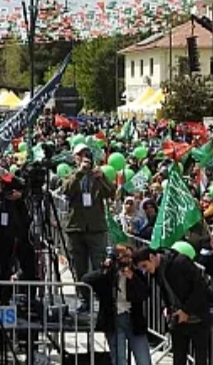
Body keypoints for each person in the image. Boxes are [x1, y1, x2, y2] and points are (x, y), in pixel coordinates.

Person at [134, 246, 210, 365]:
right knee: (179, 357)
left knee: (200, 358)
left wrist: (186, 311)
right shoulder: (156, 271)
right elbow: (166, 291)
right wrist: (167, 307)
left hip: (197, 318)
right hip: (177, 319)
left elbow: (200, 288)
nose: (145, 271)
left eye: (145, 266)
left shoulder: (180, 262)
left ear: (152, 257)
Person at [83, 245, 151, 365]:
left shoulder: (137, 273)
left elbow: (144, 294)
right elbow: (86, 280)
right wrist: (104, 269)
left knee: (144, 360)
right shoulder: (108, 275)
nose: (127, 261)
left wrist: (132, 278)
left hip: (134, 320)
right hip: (114, 320)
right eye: (123, 257)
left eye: (130, 257)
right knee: (120, 360)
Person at [64, 146, 115, 282]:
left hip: (95, 229)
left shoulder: (97, 175)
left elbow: (111, 193)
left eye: (87, 155)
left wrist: (102, 177)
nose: (84, 158)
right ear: (75, 158)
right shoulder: (71, 175)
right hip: (76, 228)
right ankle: (84, 299)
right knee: (79, 267)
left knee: (100, 265)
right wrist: (80, 173)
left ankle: (100, 298)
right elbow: (67, 190)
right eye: (81, 155)